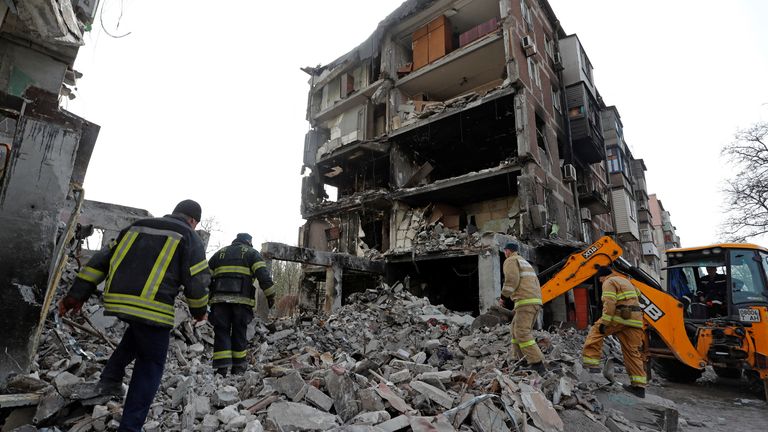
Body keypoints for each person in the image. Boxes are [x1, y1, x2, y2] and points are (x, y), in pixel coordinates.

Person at [58, 199, 211, 432]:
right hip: (152, 306)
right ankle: (130, 427)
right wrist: (199, 311)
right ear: (193, 221)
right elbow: (197, 281)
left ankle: (110, 378)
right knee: (151, 364)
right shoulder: (189, 237)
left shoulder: (135, 227)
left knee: (137, 333)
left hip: (117, 299)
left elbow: (100, 261)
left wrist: (75, 295)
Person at [208, 233, 275, 376]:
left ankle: (222, 368)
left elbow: (205, 278)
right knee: (239, 332)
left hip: (219, 302)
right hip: (241, 302)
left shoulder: (219, 253)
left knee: (221, 331)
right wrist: (270, 295)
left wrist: (203, 298)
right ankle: (238, 367)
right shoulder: (251, 253)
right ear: (249, 243)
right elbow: (263, 276)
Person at [582, 266, 647, 398]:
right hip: (635, 319)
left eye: (599, 279)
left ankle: (592, 365)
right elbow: (639, 294)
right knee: (632, 351)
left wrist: (604, 323)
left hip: (620, 317)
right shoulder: (625, 281)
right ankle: (639, 387)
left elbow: (609, 303)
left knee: (595, 332)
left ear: (602, 276)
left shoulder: (609, 282)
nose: (600, 282)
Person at [499, 242, 546, 374]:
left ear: (507, 251)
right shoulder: (524, 262)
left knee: (522, 332)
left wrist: (503, 297)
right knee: (515, 330)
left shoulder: (510, 261)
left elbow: (511, 280)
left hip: (525, 302)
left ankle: (537, 363)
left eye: (504, 252)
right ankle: (521, 360)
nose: (504, 254)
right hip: (533, 301)